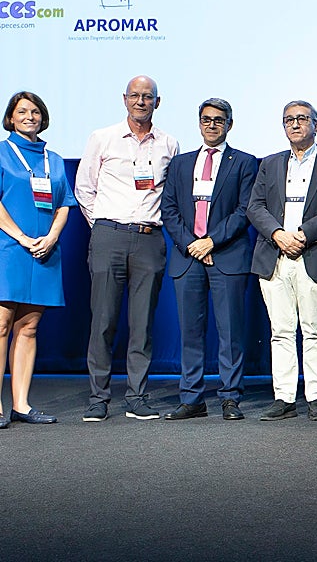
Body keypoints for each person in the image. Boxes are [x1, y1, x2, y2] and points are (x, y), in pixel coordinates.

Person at [75, 75, 179, 421]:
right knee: (103, 321)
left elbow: (170, 195)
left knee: (142, 324)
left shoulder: (169, 144)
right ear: (124, 99)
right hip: (108, 236)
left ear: (157, 102)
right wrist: (103, 226)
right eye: (135, 96)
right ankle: (98, 399)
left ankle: (137, 397)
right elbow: (84, 188)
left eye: (147, 97)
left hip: (149, 239)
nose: (140, 102)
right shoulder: (102, 138)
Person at [160, 98, 257, 421]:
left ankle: (230, 397)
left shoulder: (244, 162)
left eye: (218, 120)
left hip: (226, 256)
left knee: (230, 332)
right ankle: (192, 398)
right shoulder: (180, 164)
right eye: (206, 119)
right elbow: (169, 210)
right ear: (198, 123)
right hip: (187, 258)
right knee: (190, 332)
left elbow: (244, 211)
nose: (212, 125)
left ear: (230, 124)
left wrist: (212, 242)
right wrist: (192, 245)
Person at [246, 100, 317, 422]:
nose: (295, 124)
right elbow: (255, 207)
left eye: (302, 119)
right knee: (280, 331)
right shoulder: (270, 164)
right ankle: (284, 397)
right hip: (274, 255)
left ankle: (316, 397)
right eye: (289, 120)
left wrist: (302, 234)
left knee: (314, 330)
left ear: (316, 124)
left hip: (313, 253)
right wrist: (278, 234)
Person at [0, 92, 76, 427]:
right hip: (10, 249)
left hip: (44, 250)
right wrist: (21, 237)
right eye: (22, 112)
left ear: (42, 117)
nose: (29, 116)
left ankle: (21, 404)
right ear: (10, 118)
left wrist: (52, 237)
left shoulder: (54, 158)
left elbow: (65, 203)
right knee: (1, 327)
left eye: (35, 111)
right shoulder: (2, 153)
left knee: (28, 328)